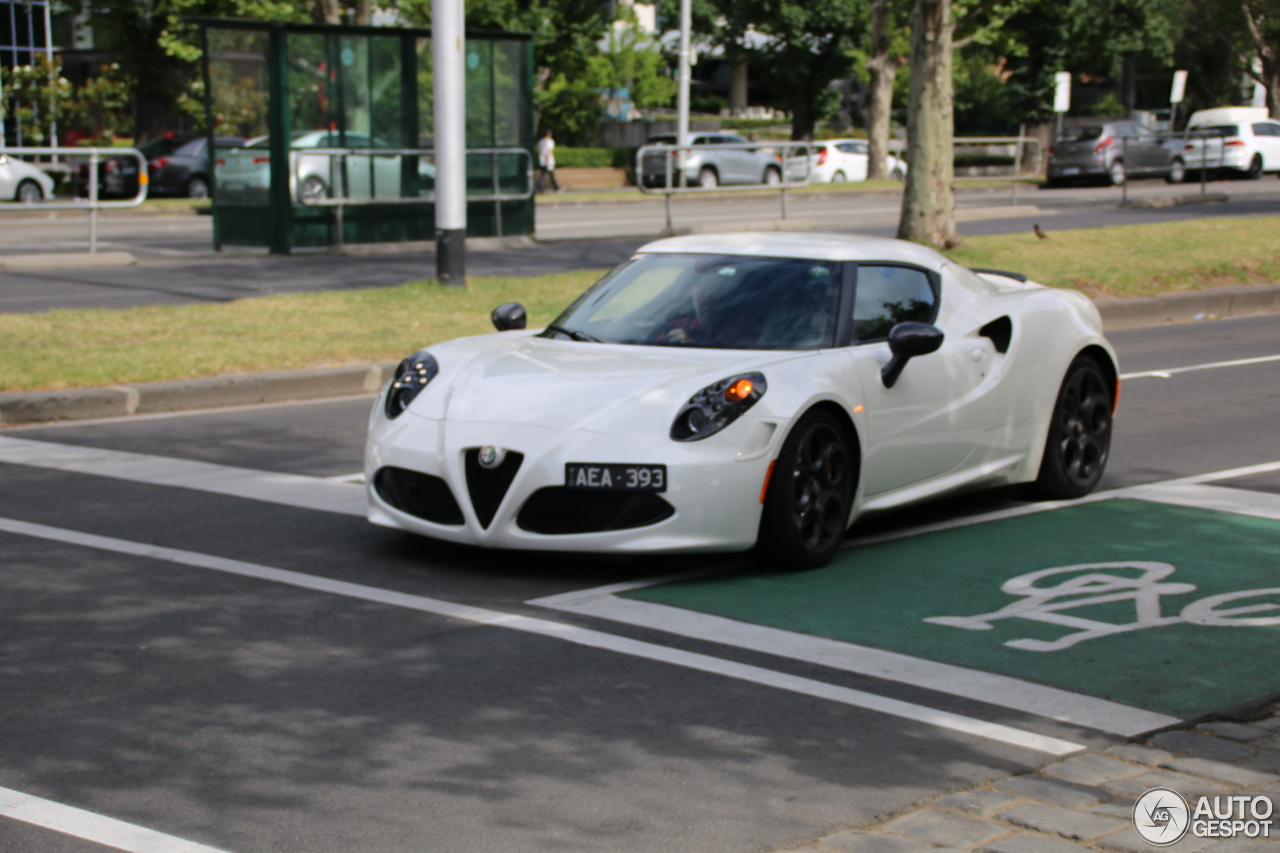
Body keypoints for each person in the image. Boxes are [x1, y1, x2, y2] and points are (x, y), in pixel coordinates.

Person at [536, 129, 561, 193]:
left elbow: (539, 150)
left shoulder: (540, 142)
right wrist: (549, 161)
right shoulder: (550, 142)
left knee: (543, 175)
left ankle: (541, 188)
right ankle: (556, 187)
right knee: (551, 175)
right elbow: (549, 151)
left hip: (542, 161)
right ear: (548, 134)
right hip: (548, 161)